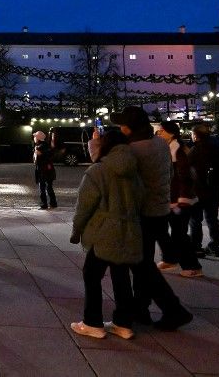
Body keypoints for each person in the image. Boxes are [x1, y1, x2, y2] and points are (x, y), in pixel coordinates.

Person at [112, 106, 193, 331]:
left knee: (141, 265)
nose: (119, 127)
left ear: (129, 127)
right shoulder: (159, 143)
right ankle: (142, 307)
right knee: (143, 261)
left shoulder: (133, 149)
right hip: (159, 209)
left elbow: (118, 174)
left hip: (142, 212)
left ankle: (173, 309)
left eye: (122, 124)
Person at [70, 129, 143, 339]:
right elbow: (140, 198)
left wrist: (77, 231)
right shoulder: (134, 170)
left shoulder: (98, 171)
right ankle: (123, 323)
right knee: (121, 276)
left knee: (91, 275)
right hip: (128, 230)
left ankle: (93, 322)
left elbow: (84, 206)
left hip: (103, 231)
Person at [156, 121, 203, 278]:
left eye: (161, 131)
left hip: (180, 200)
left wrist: (183, 197)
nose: (159, 134)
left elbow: (185, 177)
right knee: (163, 231)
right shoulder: (168, 149)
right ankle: (170, 259)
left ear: (171, 133)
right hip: (169, 199)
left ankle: (192, 266)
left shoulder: (178, 151)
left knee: (179, 234)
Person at [188, 123, 219, 258]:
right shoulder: (215, 149)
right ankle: (215, 246)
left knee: (195, 220)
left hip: (198, 191)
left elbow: (188, 171)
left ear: (196, 136)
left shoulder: (194, 151)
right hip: (213, 191)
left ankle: (196, 246)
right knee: (212, 219)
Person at [33, 130, 58, 210]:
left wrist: (40, 154)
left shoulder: (40, 147)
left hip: (43, 170)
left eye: (35, 137)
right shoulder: (45, 145)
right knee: (49, 187)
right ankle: (53, 203)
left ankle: (44, 204)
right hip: (48, 170)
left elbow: (41, 159)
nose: (34, 138)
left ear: (38, 138)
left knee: (42, 187)